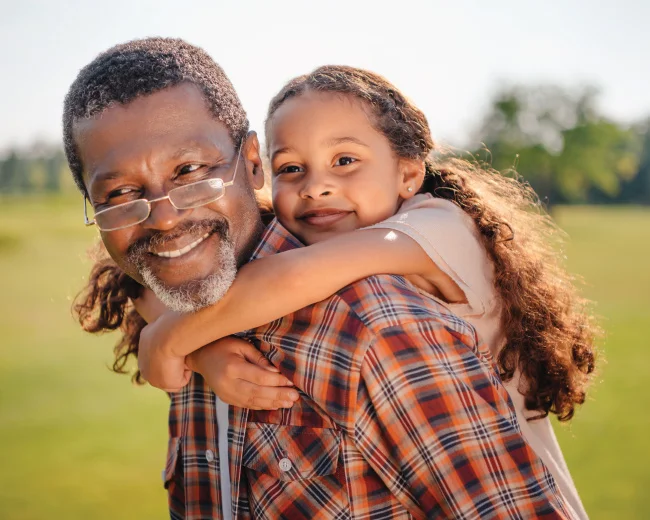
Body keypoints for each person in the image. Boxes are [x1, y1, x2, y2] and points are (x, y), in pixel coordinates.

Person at [68, 38, 574, 519]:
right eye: (120, 194)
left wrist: (175, 338)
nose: (163, 219)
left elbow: (291, 278)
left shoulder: (393, 302)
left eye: (190, 171)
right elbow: (140, 282)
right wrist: (200, 351)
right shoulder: (200, 283)